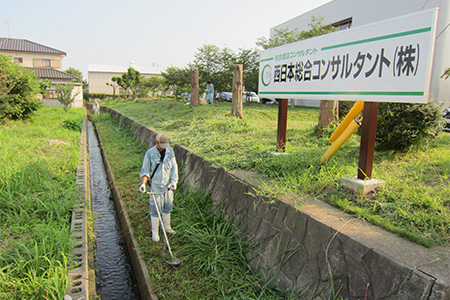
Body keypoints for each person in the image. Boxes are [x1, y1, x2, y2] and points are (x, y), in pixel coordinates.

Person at [139, 133, 179, 242]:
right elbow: (145, 170)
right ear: (156, 142)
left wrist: (173, 182)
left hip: (167, 187)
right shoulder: (150, 153)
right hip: (155, 187)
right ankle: (155, 233)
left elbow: (174, 168)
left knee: (168, 205)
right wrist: (143, 184)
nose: (163, 147)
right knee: (155, 209)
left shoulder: (170, 151)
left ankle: (167, 227)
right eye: (161, 144)